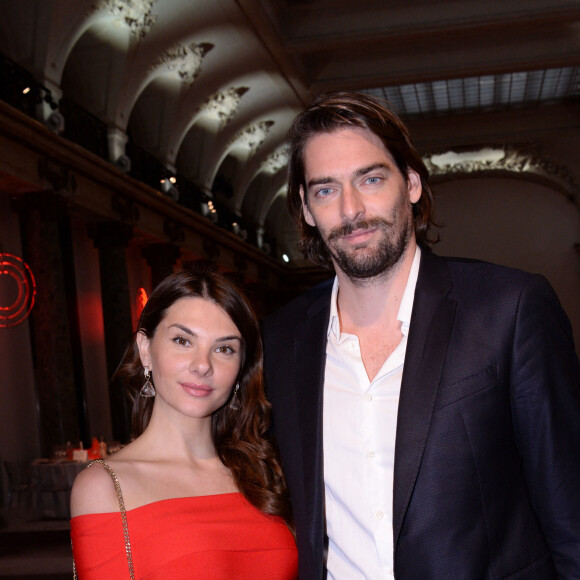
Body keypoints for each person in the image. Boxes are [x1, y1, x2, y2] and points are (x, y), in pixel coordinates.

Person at [262, 91, 580, 579]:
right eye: (326, 190)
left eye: (370, 179)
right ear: (306, 208)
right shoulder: (283, 339)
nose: (351, 210)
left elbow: (569, 511)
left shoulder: (509, 309)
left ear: (410, 183)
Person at [71, 269, 298, 579]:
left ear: (242, 366)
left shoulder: (264, 470)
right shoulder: (105, 486)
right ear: (146, 349)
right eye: (182, 340)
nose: (202, 365)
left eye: (224, 349)